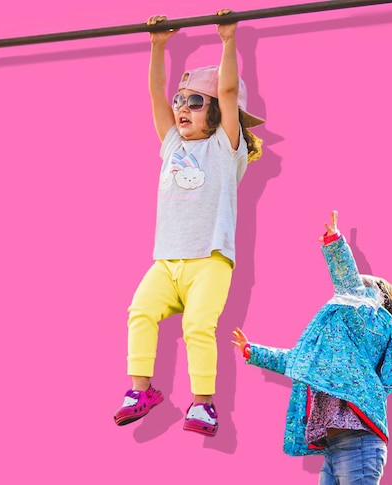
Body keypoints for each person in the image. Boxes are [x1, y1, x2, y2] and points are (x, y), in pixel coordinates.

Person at [113, 9, 265, 438]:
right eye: (181, 101)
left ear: (216, 112)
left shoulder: (224, 146)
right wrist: (157, 47)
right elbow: (154, 94)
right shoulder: (171, 144)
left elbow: (230, 88)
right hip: (167, 261)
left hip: (210, 260)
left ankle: (203, 404)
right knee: (139, 311)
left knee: (197, 326)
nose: (181, 108)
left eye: (195, 102)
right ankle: (140, 391)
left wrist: (228, 41)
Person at [232, 210, 392, 484]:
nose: (342, 298)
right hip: (333, 447)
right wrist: (253, 352)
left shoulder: (366, 322)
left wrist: (335, 244)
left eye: (354, 292)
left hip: (359, 444)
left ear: (373, 303)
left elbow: (349, 284)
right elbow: (295, 360)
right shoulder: (334, 353)